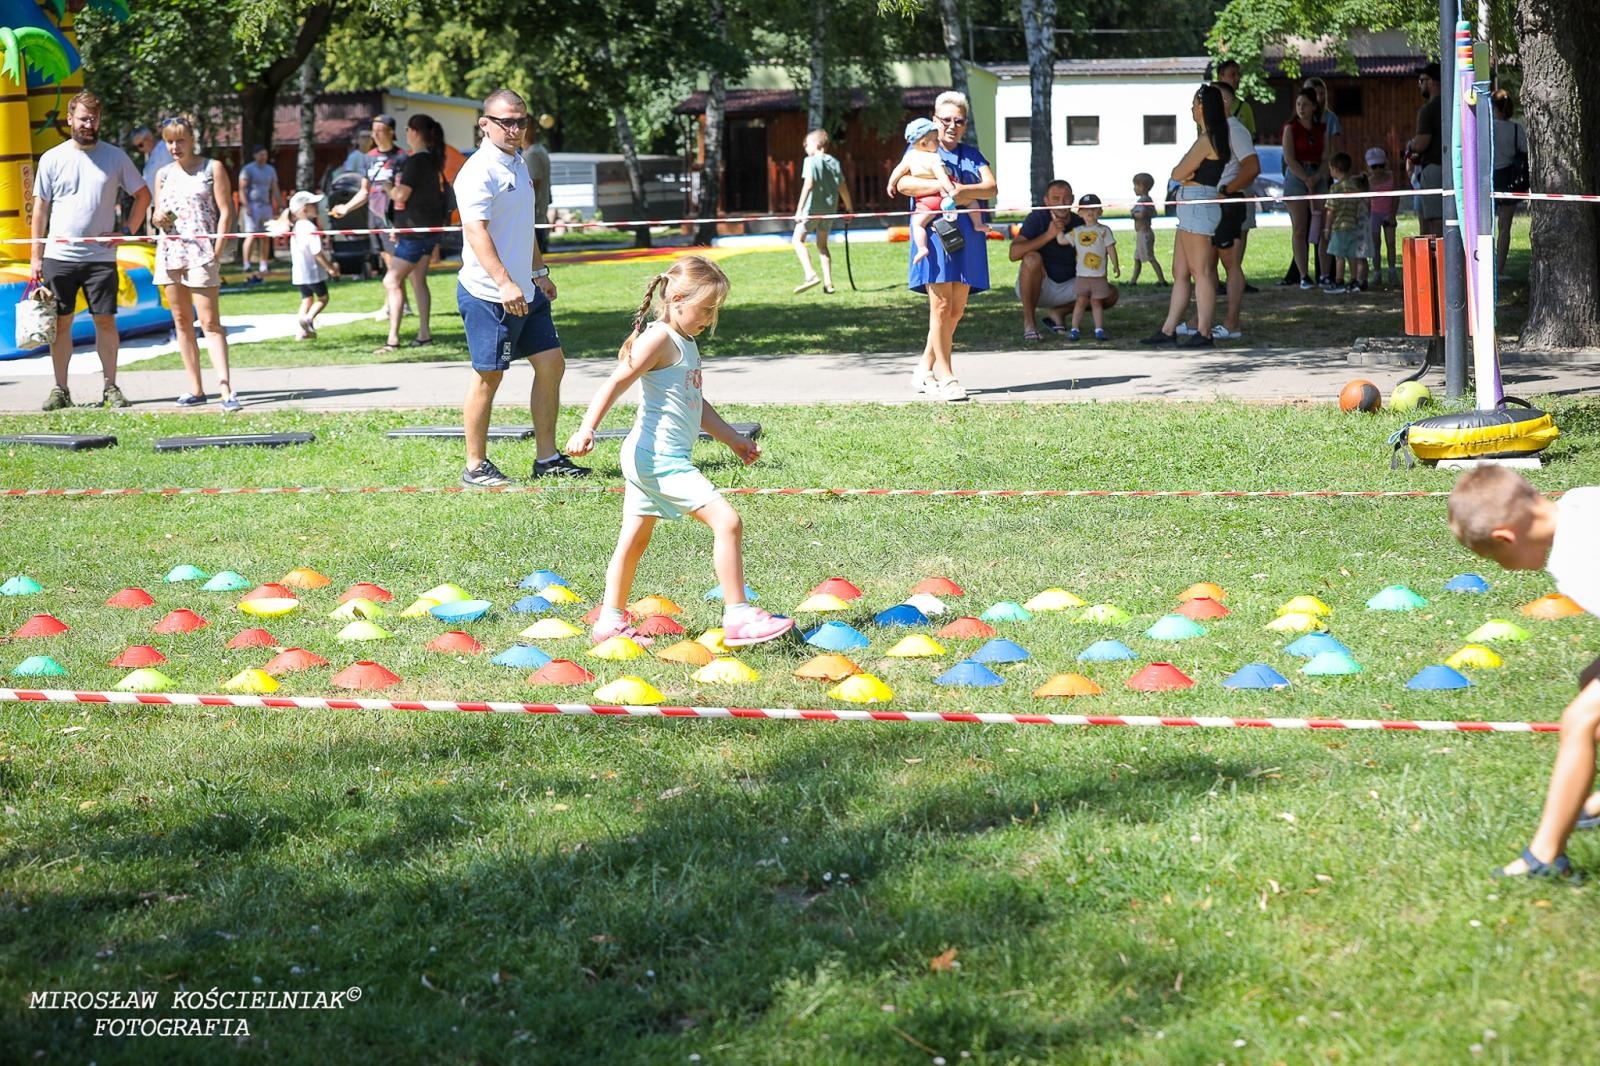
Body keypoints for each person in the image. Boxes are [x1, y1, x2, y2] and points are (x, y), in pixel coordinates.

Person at [566, 256, 795, 649]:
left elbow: (695, 402)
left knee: (634, 540)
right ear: (676, 300)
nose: (709, 318)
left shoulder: (684, 341)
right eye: (705, 309)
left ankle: (610, 621)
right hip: (657, 458)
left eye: (714, 311)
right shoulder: (659, 337)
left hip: (656, 457)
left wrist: (732, 439)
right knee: (728, 521)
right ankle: (738, 615)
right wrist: (587, 428)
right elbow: (615, 382)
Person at [1446, 467, 1600, 879]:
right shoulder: (1581, 501)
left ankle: (1545, 856)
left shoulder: (1578, 565)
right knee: (1592, 683)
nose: (1505, 568)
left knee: (1581, 720)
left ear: (1504, 538)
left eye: (1495, 559)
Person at [454, 88, 586, 487]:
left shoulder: (519, 163)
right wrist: (505, 281)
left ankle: (547, 458)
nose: (515, 128)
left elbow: (522, 227)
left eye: (521, 121)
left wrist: (538, 272)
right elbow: (475, 232)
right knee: (488, 376)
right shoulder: (478, 171)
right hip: (489, 294)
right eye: (506, 121)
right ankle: (475, 467)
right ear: (485, 124)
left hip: (524, 290)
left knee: (551, 363)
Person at [31, 91, 149, 411]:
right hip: (59, 257)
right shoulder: (52, 158)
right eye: (83, 118)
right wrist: (35, 256)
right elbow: (40, 209)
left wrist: (125, 232)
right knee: (62, 324)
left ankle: (111, 388)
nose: (89, 124)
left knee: (106, 322)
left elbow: (143, 196)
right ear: (70, 119)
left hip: (101, 259)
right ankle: (60, 389)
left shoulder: (115, 157)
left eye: (94, 119)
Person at [893, 90, 995, 402]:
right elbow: (902, 184)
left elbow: (990, 187)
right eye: (945, 120)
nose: (952, 126)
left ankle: (924, 367)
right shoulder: (920, 151)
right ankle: (947, 376)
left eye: (958, 121)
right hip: (935, 233)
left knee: (957, 309)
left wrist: (962, 191)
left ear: (965, 124)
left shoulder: (972, 155)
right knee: (939, 306)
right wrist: (942, 186)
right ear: (934, 121)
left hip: (967, 236)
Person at [151, 114, 238, 411]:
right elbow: (156, 212)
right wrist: (157, 217)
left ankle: (226, 390)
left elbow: (225, 210)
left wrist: (218, 247)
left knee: (210, 322)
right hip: (170, 253)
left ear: (192, 140)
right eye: (169, 142)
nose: (175, 147)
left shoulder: (212, 168)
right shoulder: (162, 174)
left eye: (180, 140)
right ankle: (196, 389)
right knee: (181, 322)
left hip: (201, 252)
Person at [1141, 84, 1231, 349]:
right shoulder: (1209, 137)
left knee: (1200, 271)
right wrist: (1186, 175)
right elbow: (1182, 174)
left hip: (1198, 203)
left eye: (1194, 104)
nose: (1191, 109)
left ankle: (1204, 332)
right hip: (1191, 203)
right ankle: (1169, 330)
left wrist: (1186, 175)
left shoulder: (1208, 139)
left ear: (1202, 107)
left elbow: (1178, 173)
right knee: (1180, 270)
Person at [377, 113, 446, 353]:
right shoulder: (433, 161)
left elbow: (400, 195)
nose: (405, 133)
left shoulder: (416, 161)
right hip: (427, 231)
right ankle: (424, 335)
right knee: (418, 280)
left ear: (415, 132)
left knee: (392, 280)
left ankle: (392, 340)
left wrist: (386, 186)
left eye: (407, 129)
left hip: (414, 234)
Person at [330, 114, 408, 293]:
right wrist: (345, 208)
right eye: (374, 131)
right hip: (374, 215)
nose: (376, 135)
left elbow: (403, 192)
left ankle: (397, 304)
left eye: (381, 131)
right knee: (387, 263)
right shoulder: (368, 158)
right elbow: (364, 191)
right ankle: (395, 303)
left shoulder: (401, 157)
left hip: (392, 217)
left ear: (391, 132)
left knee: (394, 264)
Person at [888, 118, 962, 266]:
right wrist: (951, 191)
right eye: (935, 139)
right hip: (940, 198)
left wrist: (891, 184)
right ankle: (978, 223)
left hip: (926, 202)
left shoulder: (909, 156)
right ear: (923, 143)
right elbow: (942, 178)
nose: (938, 142)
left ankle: (922, 248)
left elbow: (898, 171)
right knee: (970, 204)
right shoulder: (934, 157)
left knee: (918, 224)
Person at [791, 128, 851, 294]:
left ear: (816, 144)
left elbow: (809, 184)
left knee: (797, 240)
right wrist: (849, 207)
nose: (805, 148)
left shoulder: (810, 161)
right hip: (829, 210)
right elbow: (842, 186)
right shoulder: (834, 162)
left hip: (812, 209)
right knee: (822, 246)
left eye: (806, 144)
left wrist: (799, 209)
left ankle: (810, 274)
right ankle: (829, 283)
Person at [1281, 88, 1328, 292]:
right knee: (1300, 228)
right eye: (1298, 104)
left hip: (1318, 175)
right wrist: (1305, 178)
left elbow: (1327, 156)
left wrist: (1317, 177)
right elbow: (1289, 158)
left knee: (1323, 227)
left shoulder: (1322, 129)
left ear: (1314, 107)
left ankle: (1325, 274)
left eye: (1305, 104)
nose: (1301, 108)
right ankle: (1303, 275)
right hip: (1297, 177)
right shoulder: (1290, 128)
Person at [1066, 193, 1117, 341]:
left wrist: (1115, 265)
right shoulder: (1077, 231)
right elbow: (1063, 240)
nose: (1090, 212)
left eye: (1094, 209)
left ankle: (1099, 329)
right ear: (1080, 213)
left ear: (1100, 211)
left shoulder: (1104, 230)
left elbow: (1110, 248)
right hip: (1082, 275)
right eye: (1086, 209)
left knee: (1096, 302)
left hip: (1098, 275)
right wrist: (1057, 229)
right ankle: (1074, 329)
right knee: (1080, 301)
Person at [287, 190, 337, 339]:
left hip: (299, 272)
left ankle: (301, 332)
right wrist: (330, 268)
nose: (317, 207)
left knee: (307, 299)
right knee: (323, 298)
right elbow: (316, 251)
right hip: (312, 271)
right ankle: (307, 320)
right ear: (304, 209)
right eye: (313, 205)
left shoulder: (297, 227)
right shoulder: (310, 227)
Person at [1492, 91, 1528, 280]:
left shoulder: (1488, 128)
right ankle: (1498, 270)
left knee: (1484, 226)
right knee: (1504, 227)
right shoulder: (1517, 129)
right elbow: (1523, 152)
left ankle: (1483, 267)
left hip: (1489, 180)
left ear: (1494, 107)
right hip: (1509, 182)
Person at [1406, 62, 1444, 239]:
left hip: (1435, 169)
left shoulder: (1428, 109)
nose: (1419, 84)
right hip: (1457, 169)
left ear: (1432, 82)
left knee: (1434, 221)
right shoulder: (1454, 105)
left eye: (1422, 80)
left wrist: (1410, 146)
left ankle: (1438, 263)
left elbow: (1422, 143)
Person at [238, 145, 280, 279]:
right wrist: (246, 205)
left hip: (266, 206)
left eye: (265, 154)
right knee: (251, 235)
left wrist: (279, 205)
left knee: (265, 236)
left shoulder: (270, 170)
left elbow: (274, 188)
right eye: (261, 154)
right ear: (255, 155)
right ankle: (246, 264)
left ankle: (263, 264)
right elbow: (242, 189)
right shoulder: (248, 169)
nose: (263, 157)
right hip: (252, 205)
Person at [1323, 153, 1361, 293]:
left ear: (1335, 169)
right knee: (1352, 256)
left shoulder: (1335, 188)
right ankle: (1354, 280)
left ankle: (1339, 281)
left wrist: (1327, 228)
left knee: (1339, 257)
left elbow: (1331, 210)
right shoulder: (1354, 187)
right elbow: (1359, 206)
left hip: (1339, 228)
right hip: (1353, 226)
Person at [1366, 147, 1399, 288]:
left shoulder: (1391, 177)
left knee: (1391, 243)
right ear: (1368, 167)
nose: (1378, 169)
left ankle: (1392, 272)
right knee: (1375, 244)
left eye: (1381, 166)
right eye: (1374, 167)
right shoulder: (1368, 181)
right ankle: (1377, 272)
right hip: (1374, 214)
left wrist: (1392, 214)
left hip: (1388, 212)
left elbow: (1395, 197)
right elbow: (1367, 201)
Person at [1128, 173, 1167, 286]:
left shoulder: (1144, 200)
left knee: (1150, 257)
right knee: (1137, 258)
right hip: (1140, 233)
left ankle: (1161, 280)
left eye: (1135, 185)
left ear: (1142, 186)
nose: (1134, 188)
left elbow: (1142, 213)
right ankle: (1133, 281)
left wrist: (1133, 215)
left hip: (1144, 234)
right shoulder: (1145, 200)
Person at [521, 121, 552, 255]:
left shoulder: (532, 154)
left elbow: (534, 184)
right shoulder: (539, 150)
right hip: (537, 217)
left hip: (533, 219)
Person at [130, 126, 171, 214]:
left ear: (149, 138)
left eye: (140, 145)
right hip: (161, 207)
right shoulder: (152, 155)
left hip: (170, 204)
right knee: (170, 226)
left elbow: (171, 175)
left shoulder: (164, 149)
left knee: (177, 224)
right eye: (137, 147)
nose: (139, 149)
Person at [1214, 59, 1256, 137]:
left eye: (1239, 74)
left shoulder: (1245, 108)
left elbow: (1251, 139)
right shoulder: (1208, 106)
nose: (1237, 78)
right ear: (1221, 76)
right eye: (1232, 74)